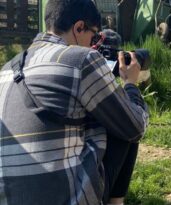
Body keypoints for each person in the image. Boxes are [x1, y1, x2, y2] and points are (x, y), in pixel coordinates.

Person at [0, 1, 148, 205]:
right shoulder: (82, 58)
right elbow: (135, 126)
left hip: (10, 197)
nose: (94, 44)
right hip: (67, 199)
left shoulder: (8, 68)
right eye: (94, 36)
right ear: (79, 27)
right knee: (122, 114)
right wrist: (130, 83)